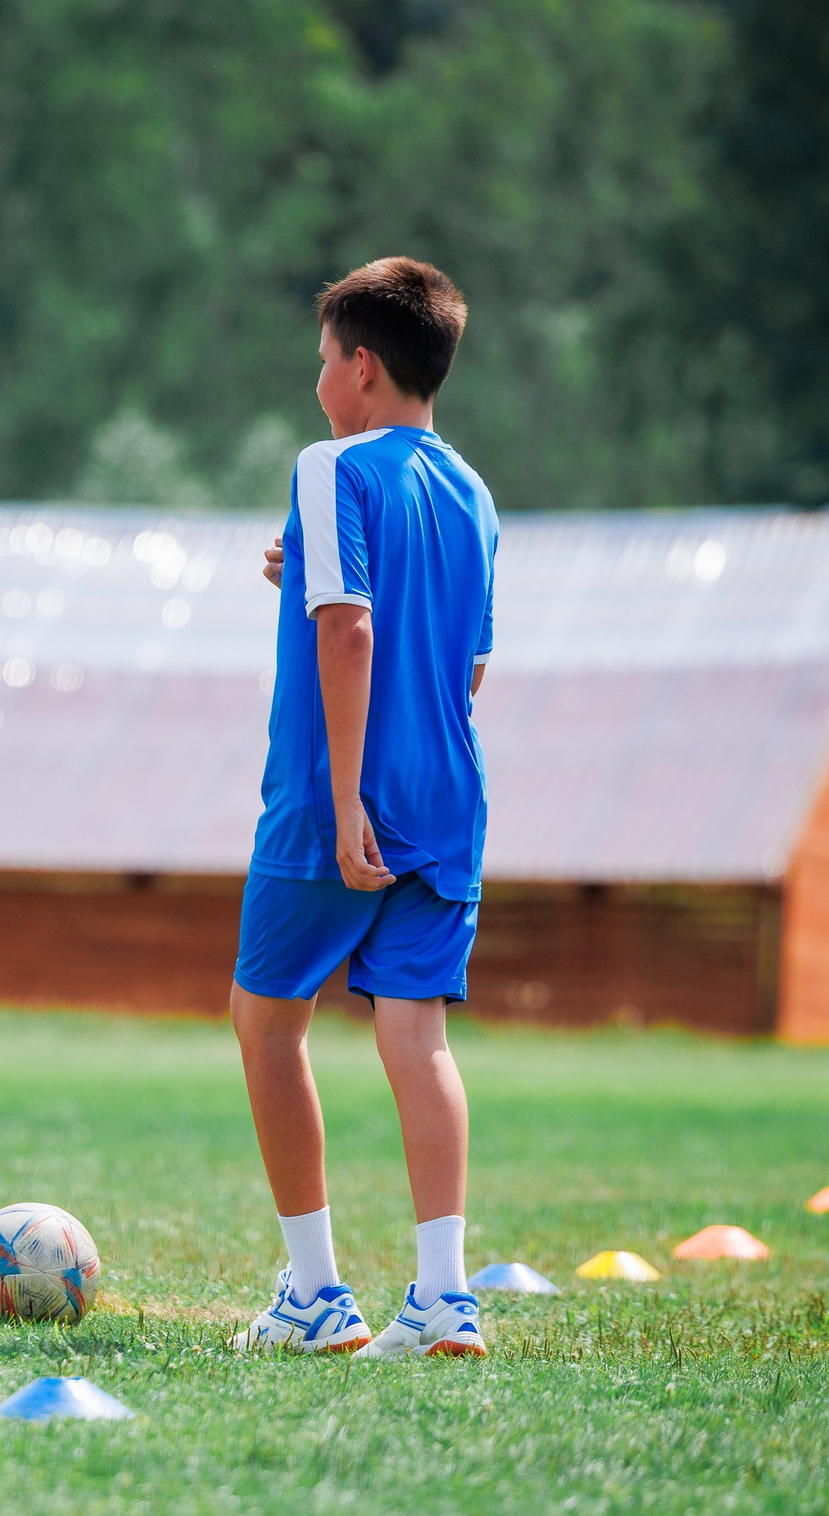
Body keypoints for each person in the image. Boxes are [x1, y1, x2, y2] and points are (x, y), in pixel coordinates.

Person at [229, 255, 495, 1359]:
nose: (317, 383)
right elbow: (464, 666)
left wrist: (343, 803)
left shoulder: (327, 467)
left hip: (341, 801)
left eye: (323, 361)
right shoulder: (472, 491)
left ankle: (314, 1296)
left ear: (363, 368)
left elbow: (349, 632)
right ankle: (442, 1299)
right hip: (449, 797)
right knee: (416, 1038)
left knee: (266, 1022)